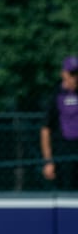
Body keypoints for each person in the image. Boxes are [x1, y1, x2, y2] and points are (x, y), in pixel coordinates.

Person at [41, 55, 78, 189]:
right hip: (64, 153)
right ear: (63, 74)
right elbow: (45, 130)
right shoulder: (55, 96)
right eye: (72, 74)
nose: (75, 78)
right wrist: (48, 161)